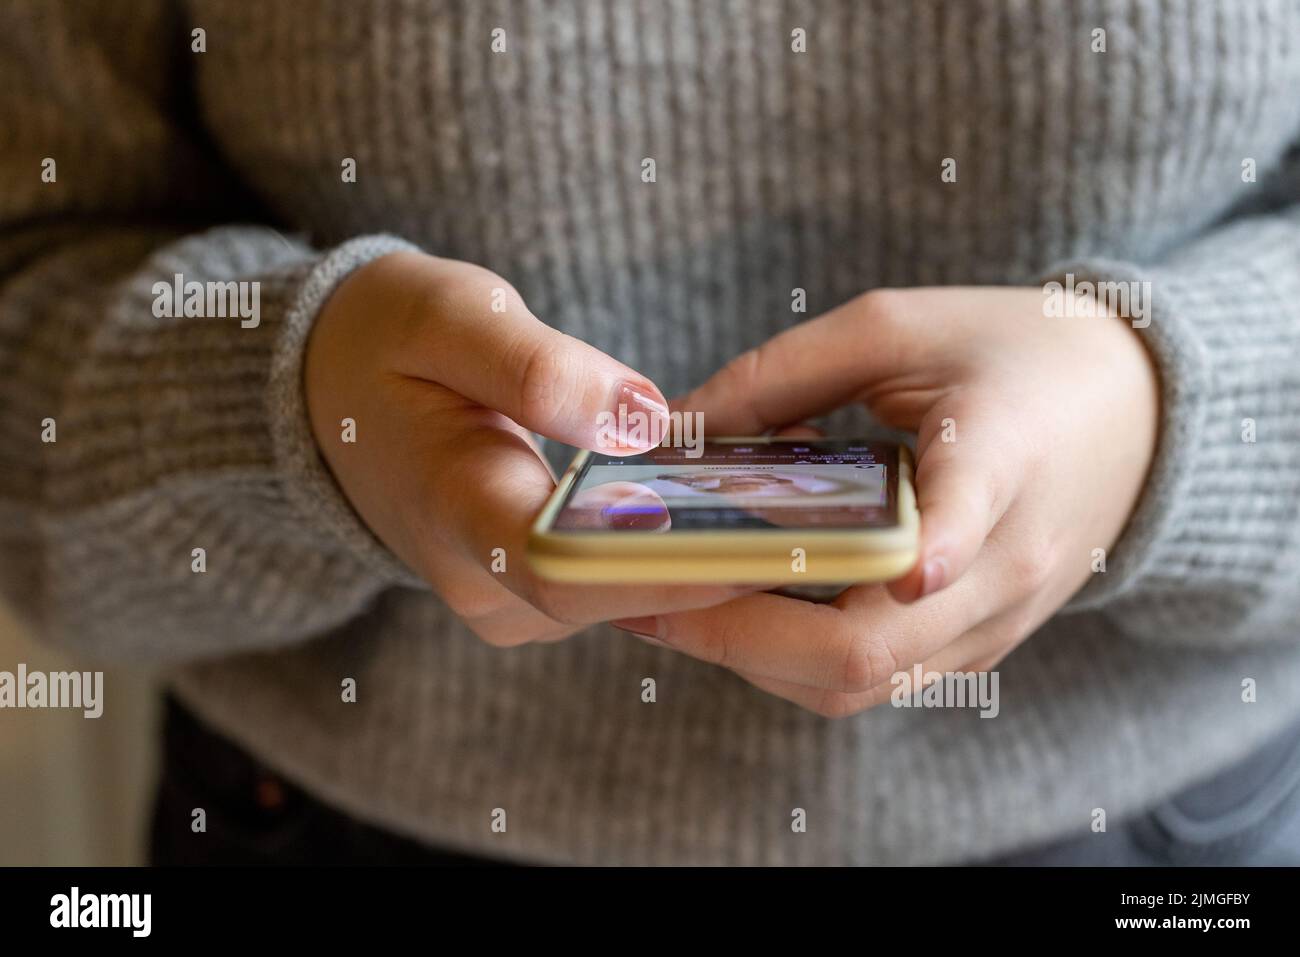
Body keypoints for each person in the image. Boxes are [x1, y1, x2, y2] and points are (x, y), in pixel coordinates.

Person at [2, 0, 1299, 866]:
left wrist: (1159, 410)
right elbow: (33, 307)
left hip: (1161, 829)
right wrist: (303, 397)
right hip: (339, 825)